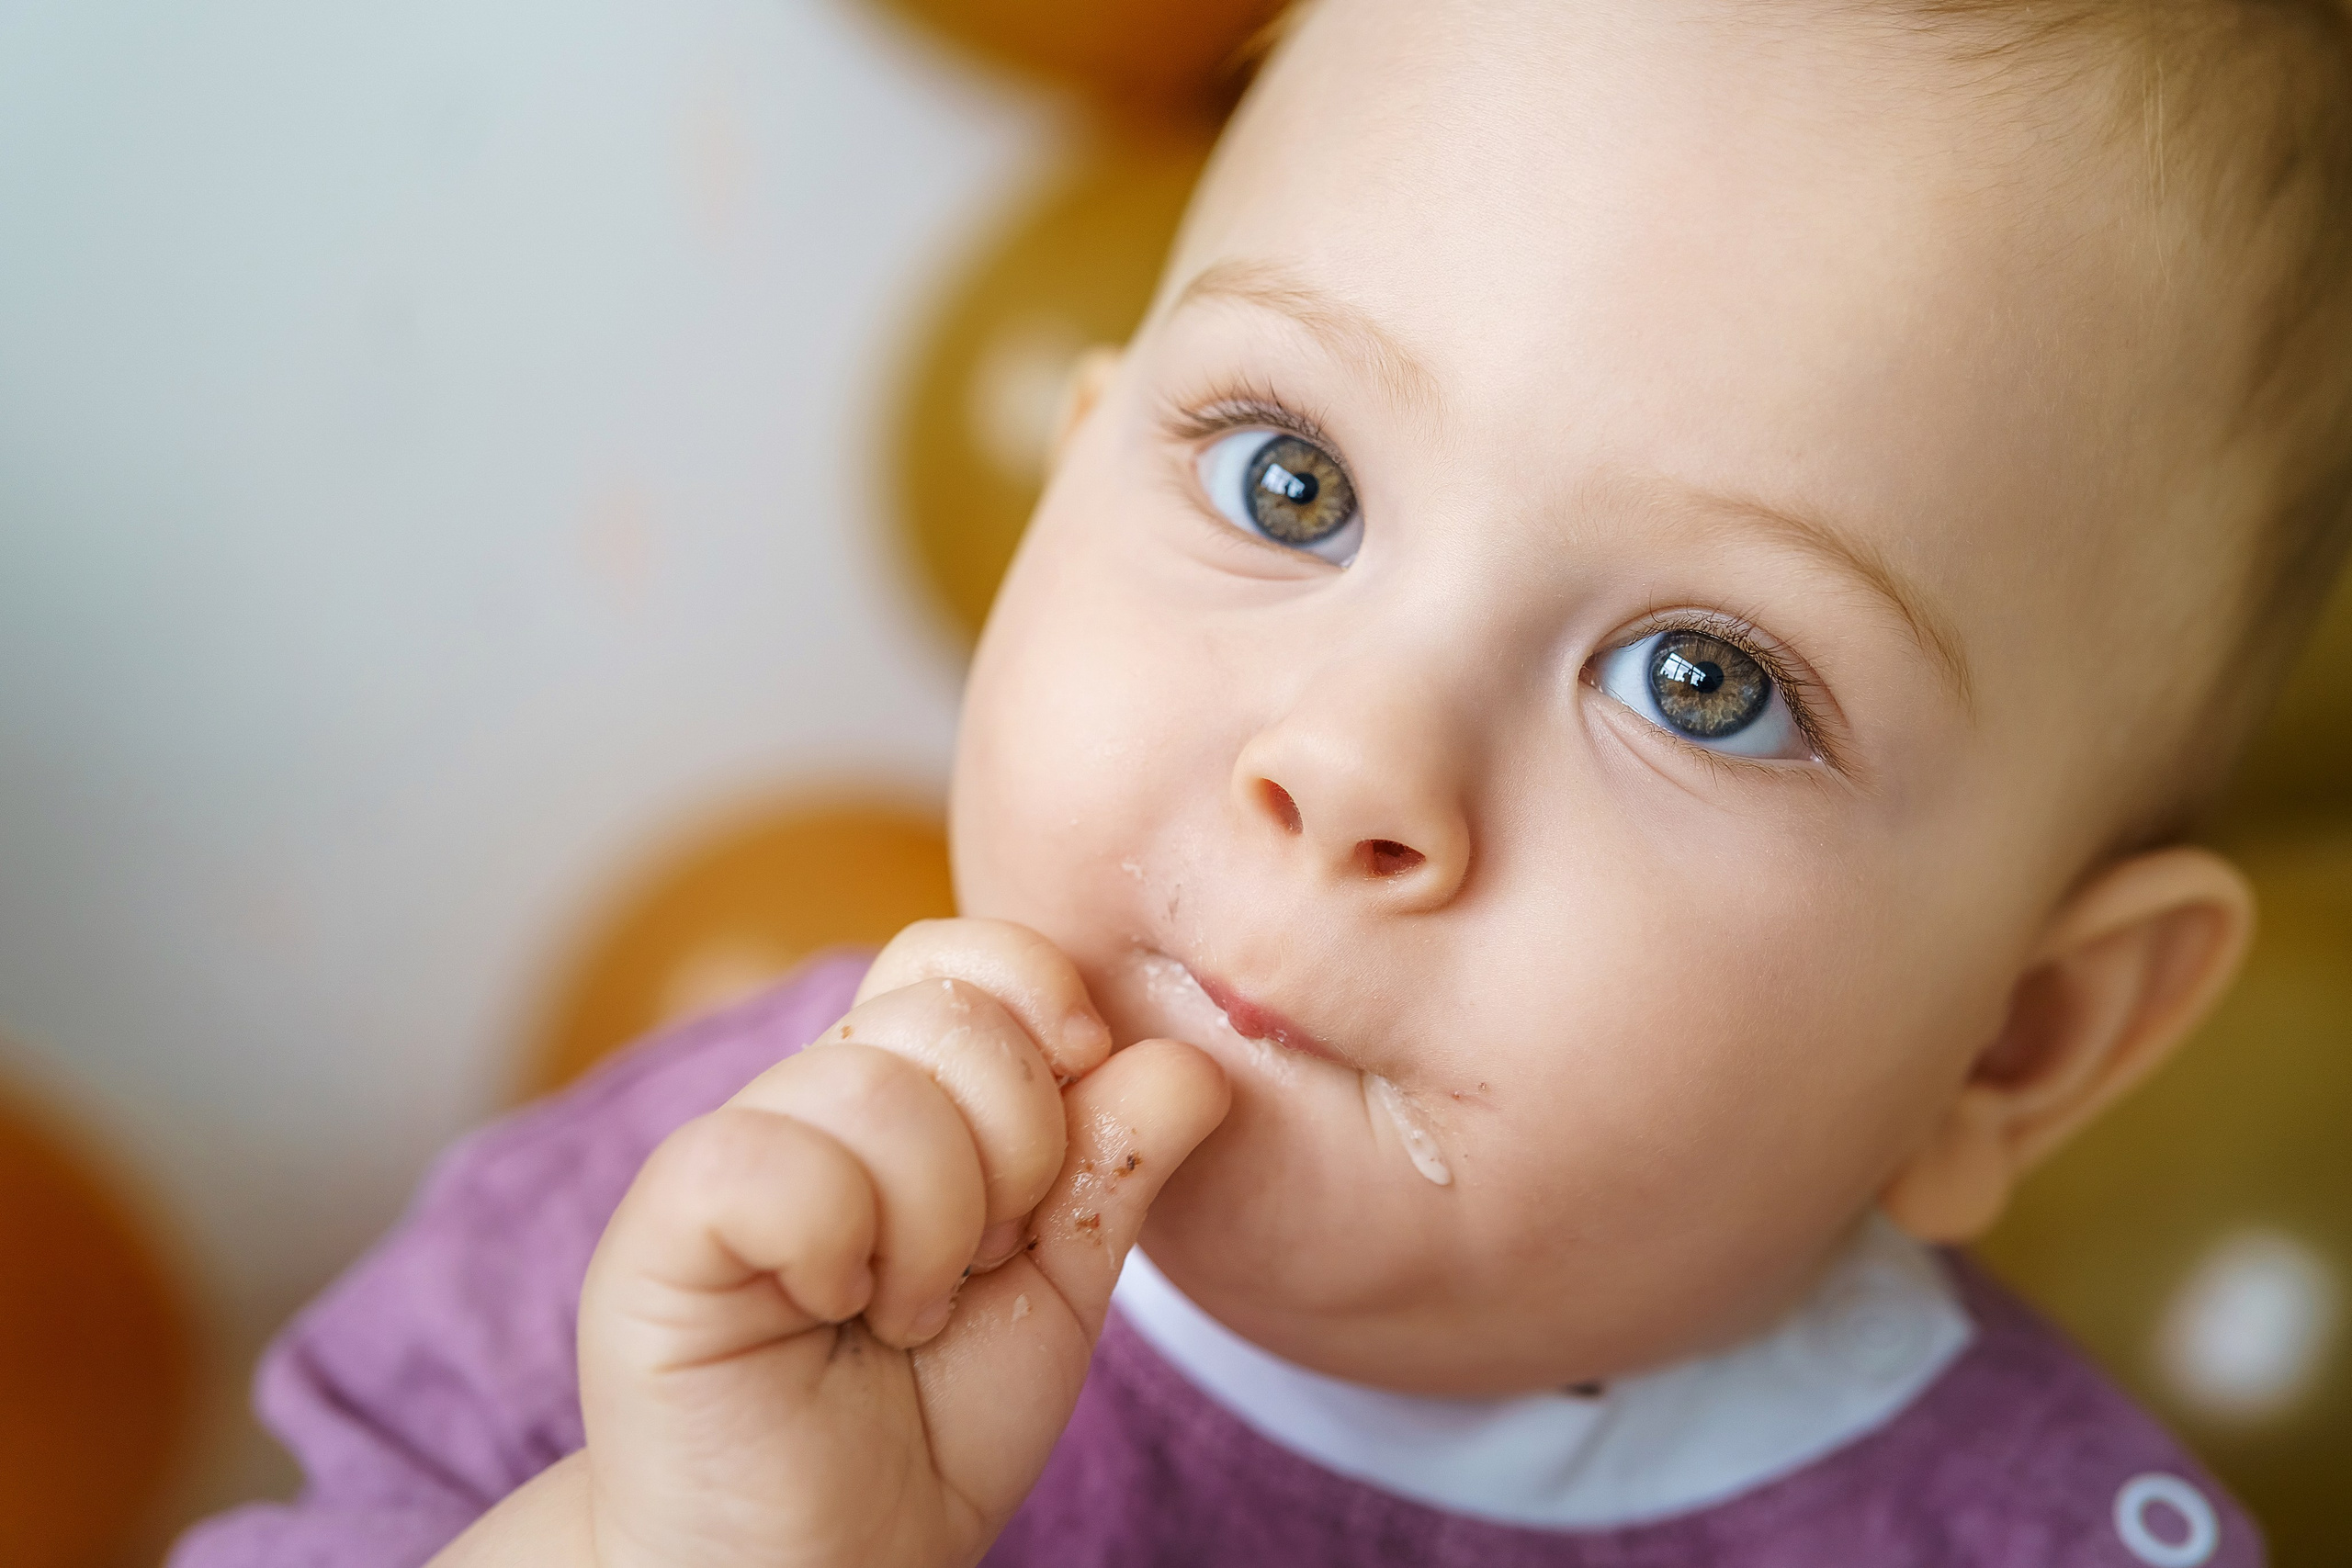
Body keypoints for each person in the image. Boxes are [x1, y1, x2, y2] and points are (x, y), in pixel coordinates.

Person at [174, 0, 2352, 1563]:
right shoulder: (716, 1219)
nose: (1345, 761)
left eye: (1699, 677)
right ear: (1064, 485)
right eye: (1289, 479)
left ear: (2018, 1034)